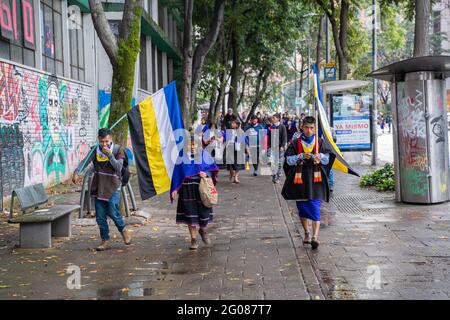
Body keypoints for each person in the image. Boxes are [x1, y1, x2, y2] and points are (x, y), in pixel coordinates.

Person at [72, 128, 131, 251]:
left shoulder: (117, 150)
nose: (104, 144)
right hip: (99, 187)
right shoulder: (95, 150)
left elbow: (119, 167)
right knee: (100, 216)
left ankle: (123, 230)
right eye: (102, 141)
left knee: (113, 211)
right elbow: (85, 162)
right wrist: (77, 172)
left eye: (107, 141)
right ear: (98, 140)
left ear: (111, 139)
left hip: (114, 186)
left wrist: (109, 155)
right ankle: (105, 240)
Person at [284, 116, 332, 250]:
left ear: (315, 128)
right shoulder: (295, 143)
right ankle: (306, 232)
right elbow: (288, 160)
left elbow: (328, 159)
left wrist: (320, 157)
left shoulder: (321, 143)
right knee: (303, 208)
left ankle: (315, 237)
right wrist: (299, 156)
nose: (309, 131)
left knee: (315, 207)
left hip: (316, 180)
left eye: (312, 128)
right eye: (306, 127)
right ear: (302, 127)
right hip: (300, 180)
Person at [171, 139, 219, 250]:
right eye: (189, 144)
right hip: (187, 190)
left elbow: (213, 169)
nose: (192, 147)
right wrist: (175, 189)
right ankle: (193, 239)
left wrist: (206, 174)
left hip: (202, 190)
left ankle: (202, 229)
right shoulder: (181, 156)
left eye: (194, 145)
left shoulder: (204, 155)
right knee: (190, 215)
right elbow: (177, 174)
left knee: (203, 215)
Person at [268, 113, 287, 183]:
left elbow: (284, 137)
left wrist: (282, 146)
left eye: (274, 118)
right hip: (273, 147)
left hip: (280, 148)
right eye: (272, 118)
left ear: (278, 119)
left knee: (279, 163)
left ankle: (278, 177)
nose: (272, 119)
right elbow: (270, 137)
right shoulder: (272, 127)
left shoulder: (282, 127)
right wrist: (269, 146)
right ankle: (274, 175)